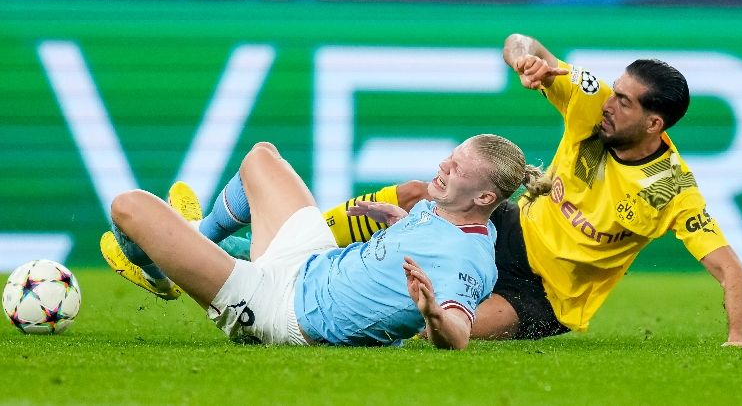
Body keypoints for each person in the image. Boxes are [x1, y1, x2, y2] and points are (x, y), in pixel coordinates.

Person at [275, 33, 742, 347]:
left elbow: (730, 270)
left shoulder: (669, 189)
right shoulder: (593, 103)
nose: (610, 102)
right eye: (614, 91)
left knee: (435, 333)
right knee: (417, 192)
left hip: (546, 296)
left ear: (654, 123)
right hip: (508, 227)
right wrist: (526, 62)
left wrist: (739, 339)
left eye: (624, 101)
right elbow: (520, 42)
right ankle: (296, 243)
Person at [101, 134, 549, 349]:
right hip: (313, 264)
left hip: (282, 312)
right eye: (449, 158)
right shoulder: (445, 208)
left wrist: (432, 311)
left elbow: (459, 335)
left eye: (455, 168)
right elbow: (425, 235)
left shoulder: (468, 259)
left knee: (129, 206)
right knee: (261, 158)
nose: (442, 166)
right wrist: (397, 222)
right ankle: (196, 237)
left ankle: (162, 274)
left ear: (486, 197)